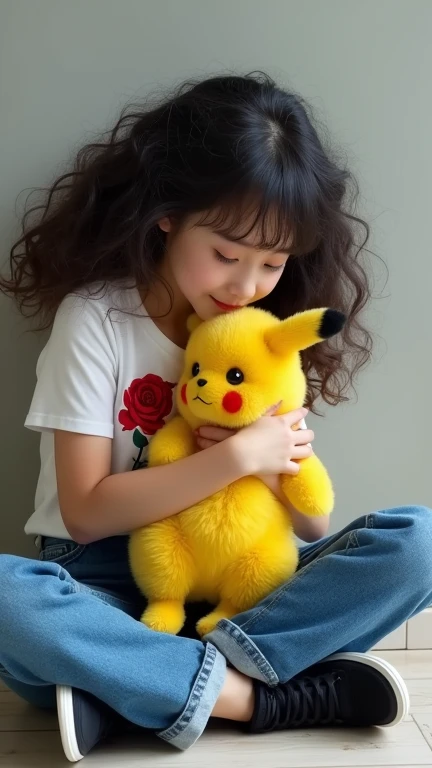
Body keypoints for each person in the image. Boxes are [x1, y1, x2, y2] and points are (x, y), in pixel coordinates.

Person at [0, 71, 430, 763]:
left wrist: (269, 466)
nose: (245, 286)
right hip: (103, 584)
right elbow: (83, 512)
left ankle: (137, 684)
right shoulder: (97, 320)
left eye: (272, 263)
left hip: (245, 583)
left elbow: (310, 524)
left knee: (419, 541)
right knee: (8, 599)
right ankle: (258, 696)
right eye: (226, 255)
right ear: (167, 212)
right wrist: (231, 458)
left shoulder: (266, 335)